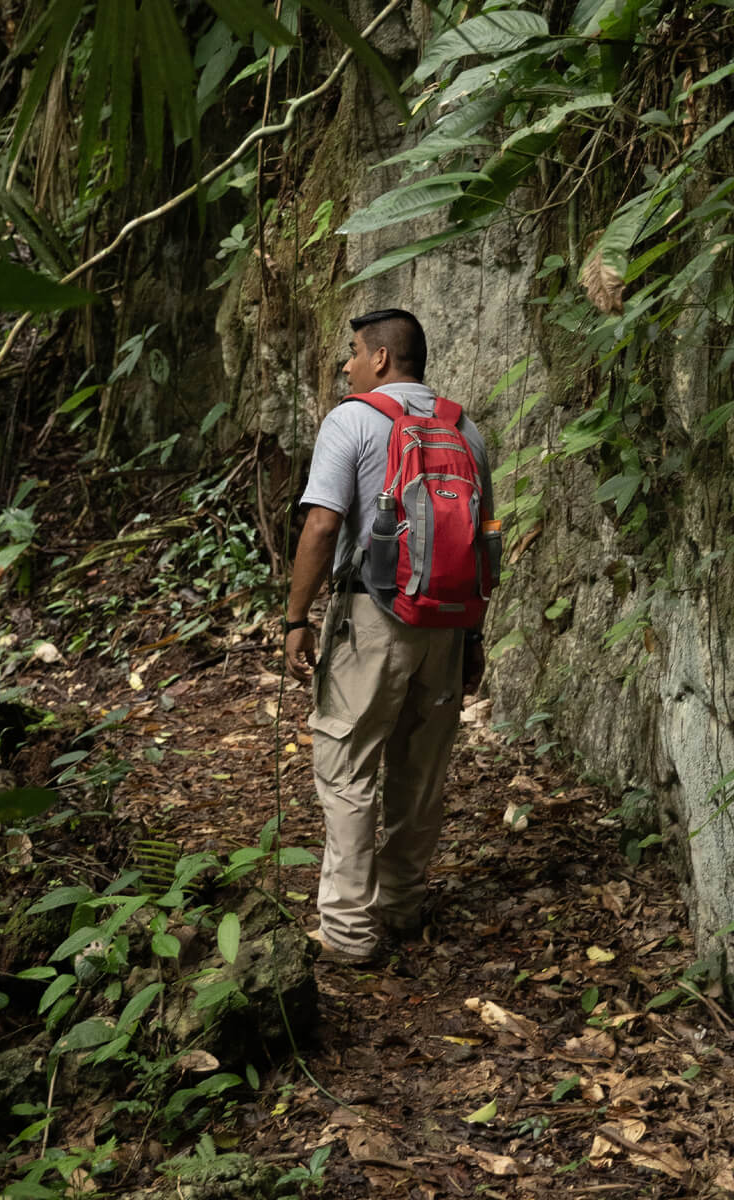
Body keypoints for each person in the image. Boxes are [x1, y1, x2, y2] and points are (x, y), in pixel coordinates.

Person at [284, 308, 494, 966]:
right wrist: (474, 637)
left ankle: (348, 932)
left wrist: (296, 617)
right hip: (448, 626)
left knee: (347, 769)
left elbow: (322, 527)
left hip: (371, 619)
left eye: (352, 352)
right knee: (419, 771)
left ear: (380, 358)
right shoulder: (469, 431)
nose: (345, 365)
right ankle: (402, 905)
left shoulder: (351, 418)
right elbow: (484, 543)